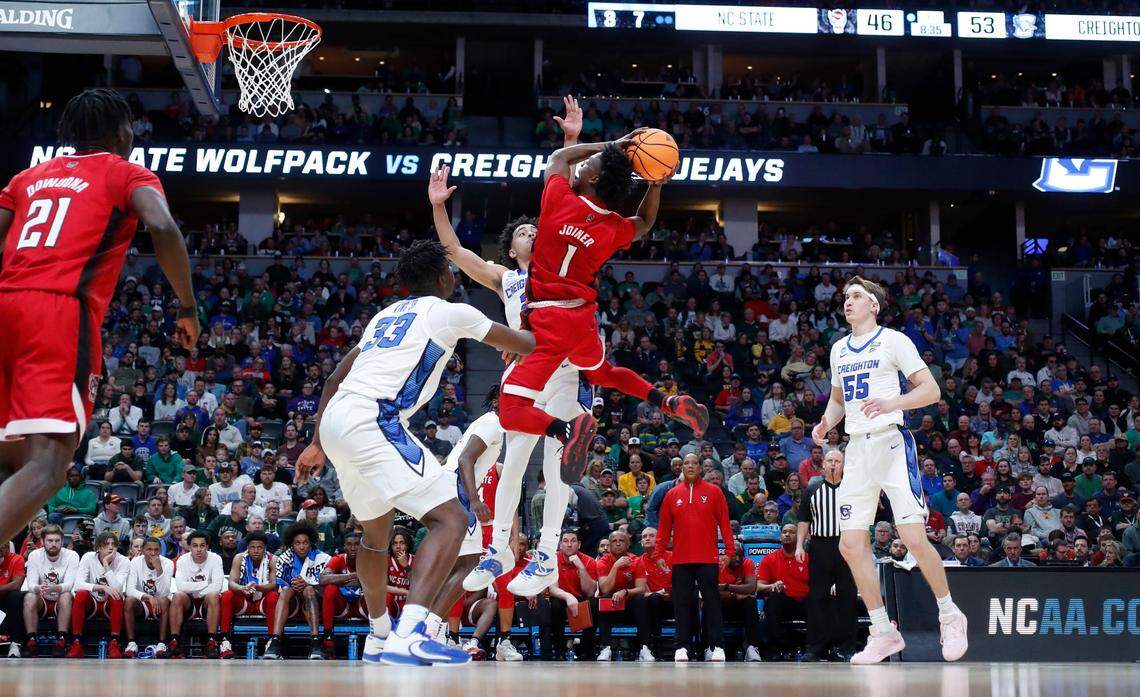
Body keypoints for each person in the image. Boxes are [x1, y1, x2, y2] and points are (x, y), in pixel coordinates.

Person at [294, 240, 535, 666]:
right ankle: (413, 631)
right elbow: (526, 343)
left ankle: (379, 635)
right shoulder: (450, 311)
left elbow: (334, 376)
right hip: (375, 420)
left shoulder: (383, 317)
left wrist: (315, 441)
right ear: (444, 277)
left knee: (375, 535)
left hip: (337, 421)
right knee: (452, 518)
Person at [0, 88, 199, 547]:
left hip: (6, 304)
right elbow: (163, 227)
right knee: (49, 466)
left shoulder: (26, 178)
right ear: (121, 132)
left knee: (10, 461)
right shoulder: (126, 172)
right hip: (57, 312)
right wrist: (187, 306)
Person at [494, 126, 704, 499]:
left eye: (588, 162)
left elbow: (559, 158)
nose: (581, 163)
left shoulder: (558, 199)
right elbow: (645, 224)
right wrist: (654, 184)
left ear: (591, 177)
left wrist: (612, 145)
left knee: (511, 410)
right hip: (582, 319)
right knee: (602, 372)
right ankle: (665, 401)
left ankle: (565, 430)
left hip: (549, 320)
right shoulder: (611, 226)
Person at [431, 100, 587, 599]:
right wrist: (438, 207)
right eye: (525, 232)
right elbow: (456, 253)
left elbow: (565, 190)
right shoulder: (507, 279)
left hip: (561, 367)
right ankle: (500, 547)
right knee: (512, 462)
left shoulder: (558, 268)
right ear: (512, 247)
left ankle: (544, 554)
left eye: (536, 230)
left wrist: (570, 142)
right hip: (523, 372)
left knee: (557, 464)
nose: (534, 232)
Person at [812, 276, 967, 663]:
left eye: (857, 296)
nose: (848, 302)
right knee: (849, 544)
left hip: (892, 442)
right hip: (857, 449)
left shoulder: (894, 340)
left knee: (913, 536)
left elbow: (930, 390)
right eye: (846, 297)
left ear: (874, 305)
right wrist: (825, 423)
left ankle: (950, 614)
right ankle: (883, 630)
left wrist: (891, 402)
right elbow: (837, 400)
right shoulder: (838, 350)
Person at [654, 452, 734, 662]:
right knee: (682, 603)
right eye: (686, 463)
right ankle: (682, 646)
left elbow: (725, 524)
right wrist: (659, 552)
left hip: (708, 558)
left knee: (712, 602)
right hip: (681, 559)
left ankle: (716, 646)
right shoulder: (672, 494)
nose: (690, 466)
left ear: (700, 468)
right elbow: (663, 528)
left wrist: (730, 550)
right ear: (682, 468)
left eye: (694, 463)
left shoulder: (714, 492)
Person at [795, 449, 857, 661]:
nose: (832, 464)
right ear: (823, 465)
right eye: (829, 460)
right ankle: (815, 647)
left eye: (837, 461)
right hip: (820, 545)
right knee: (817, 597)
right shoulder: (812, 489)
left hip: (847, 545)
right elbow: (803, 519)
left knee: (847, 597)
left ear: (843, 465)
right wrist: (799, 546)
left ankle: (846, 647)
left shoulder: (852, 490)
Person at [264, 523, 329, 660]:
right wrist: (296, 585)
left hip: (315, 601)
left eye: (305, 542)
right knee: (286, 590)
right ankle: (275, 641)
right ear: (292, 545)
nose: (302, 546)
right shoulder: (284, 558)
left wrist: (307, 584)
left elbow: (325, 586)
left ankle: (315, 641)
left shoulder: (323, 558)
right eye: (298, 543)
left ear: (311, 543)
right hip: (292, 603)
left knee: (309, 590)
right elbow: (282, 585)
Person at [67, 531, 130, 657]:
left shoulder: (123, 561)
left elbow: (117, 588)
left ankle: (114, 642)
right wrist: (102, 587)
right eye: (106, 544)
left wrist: (106, 565)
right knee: (81, 594)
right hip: (92, 603)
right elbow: (78, 584)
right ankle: (76, 642)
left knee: (116, 596)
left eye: (114, 544)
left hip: (109, 604)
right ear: (98, 547)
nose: (111, 547)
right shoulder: (88, 557)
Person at [169, 530, 226, 659]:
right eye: (195, 545)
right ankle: (174, 641)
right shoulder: (182, 560)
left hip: (207, 603)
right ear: (189, 547)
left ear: (207, 547)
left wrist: (196, 591)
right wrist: (207, 583)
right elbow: (181, 586)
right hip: (189, 603)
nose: (199, 549)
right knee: (178, 595)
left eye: (202, 545)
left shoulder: (216, 559)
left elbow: (217, 587)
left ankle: (211, 642)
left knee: (213, 596)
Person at [757, 524, 811, 660]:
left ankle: (814, 649)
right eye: (784, 532)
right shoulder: (770, 559)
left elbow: (820, 584)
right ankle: (777, 649)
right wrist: (772, 586)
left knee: (818, 600)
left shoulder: (809, 559)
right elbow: (758, 587)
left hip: (805, 601)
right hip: (783, 602)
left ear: (799, 537)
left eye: (791, 532)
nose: (787, 534)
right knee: (774, 597)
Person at [220, 530, 277, 652]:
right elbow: (231, 583)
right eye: (252, 547)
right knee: (227, 595)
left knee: (274, 596)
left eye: (259, 547)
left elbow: (274, 585)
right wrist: (242, 588)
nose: (256, 550)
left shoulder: (273, 559)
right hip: (244, 599)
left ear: (264, 548)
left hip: (262, 601)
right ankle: (224, 640)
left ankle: (272, 640)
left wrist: (257, 587)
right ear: (247, 548)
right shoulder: (239, 558)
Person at [123, 536, 174, 657]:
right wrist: (148, 597)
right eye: (149, 549)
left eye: (156, 550)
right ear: (143, 550)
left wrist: (159, 570)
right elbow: (129, 590)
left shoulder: (168, 563)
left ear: (160, 550)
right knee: (129, 601)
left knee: (164, 600)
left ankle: (162, 643)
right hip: (142, 603)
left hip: (161, 603)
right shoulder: (135, 562)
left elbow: (165, 592)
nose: (153, 553)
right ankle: (131, 643)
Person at [630, 526, 673, 662]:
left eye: (651, 535)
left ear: (659, 539)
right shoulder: (638, 561)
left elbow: (679, 582)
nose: (647, 538)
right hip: (650, 602)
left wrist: (671, 593)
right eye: (644, 536)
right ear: (641, 542)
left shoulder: (672, 557)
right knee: (649, 599)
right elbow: (641, 588)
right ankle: (650, 645)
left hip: (672, 601)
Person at [319, 532, 365, 658]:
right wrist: (353, 576)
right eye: (349, 544)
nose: (353, 548)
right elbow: (323, 579)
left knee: (378, 592)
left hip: (363, 605)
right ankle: (328, 637)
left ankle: (380, 638)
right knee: (330, 588)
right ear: (344, 546)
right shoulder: (338, 559)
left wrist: (340, 579)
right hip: (343, 606)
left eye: (356, 544)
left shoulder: (369, 560)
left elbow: (377, 582)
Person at [717, 543, 762, 662]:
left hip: (739, 608)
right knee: (710, 603)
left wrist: (726, 587)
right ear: (726, 556)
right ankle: (711, 647)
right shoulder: (718, 565)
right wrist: (734, 594)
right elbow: (713, 591)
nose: (738, 559)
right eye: (734, 555)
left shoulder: (747, 563)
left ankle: (752, 647)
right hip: (722, 607)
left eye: (740, 555)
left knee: (750, 601)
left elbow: (751, 587)